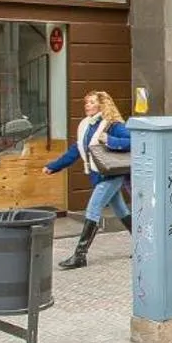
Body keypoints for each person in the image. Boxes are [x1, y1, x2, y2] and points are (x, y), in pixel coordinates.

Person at [43, 91, 131, 270]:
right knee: (121, 210)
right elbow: (76, 151)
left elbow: (134, 141)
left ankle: (80, 255)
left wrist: (109, 139)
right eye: (86, 102)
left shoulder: (113, 125)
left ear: (101, 105)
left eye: (91, 102)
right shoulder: (86, 126)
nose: (87, 105)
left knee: (93, 209)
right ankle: (143, 245)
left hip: (112, 174)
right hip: (99, 174)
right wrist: (54, 166)